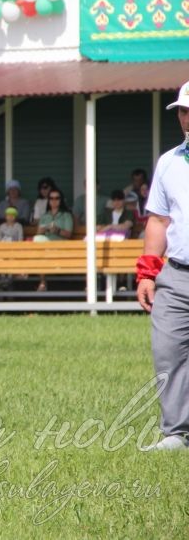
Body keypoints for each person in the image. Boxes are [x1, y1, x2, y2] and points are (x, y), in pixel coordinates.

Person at [136, 80, 189, 451]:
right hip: (177, 274)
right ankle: (177, 432)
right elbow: (158, 220)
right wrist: (147, 272)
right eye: (183, 112)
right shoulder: (168, 162)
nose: (187, 118)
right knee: (167, 350)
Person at [33, 186, 74, 292]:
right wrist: (46, 228)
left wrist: (57, 230)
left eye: (57, 198)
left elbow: (69, 234)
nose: (54, 201)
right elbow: (38, 233)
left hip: (61, 247)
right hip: (46, 247)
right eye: (51, 198)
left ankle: (42, 282)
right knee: (38, 241)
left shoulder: (66, 215)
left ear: (61, 200)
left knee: (40, 248)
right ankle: (42, 281)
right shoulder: (45, 216)